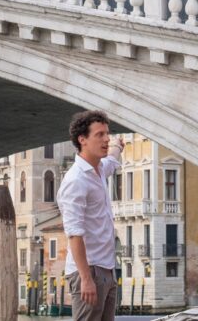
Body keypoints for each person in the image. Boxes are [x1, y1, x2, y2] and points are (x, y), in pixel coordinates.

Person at [57, 110, 125, 321]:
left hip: (106, 268)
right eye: (100, 135)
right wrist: (86, 279)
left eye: (107, 134)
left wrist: (117, 146)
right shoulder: (76, 180)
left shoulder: (100, 168)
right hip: (88, 271)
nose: (106, 139)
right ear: (82, 140)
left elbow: (112, 161)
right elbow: (74, 233)